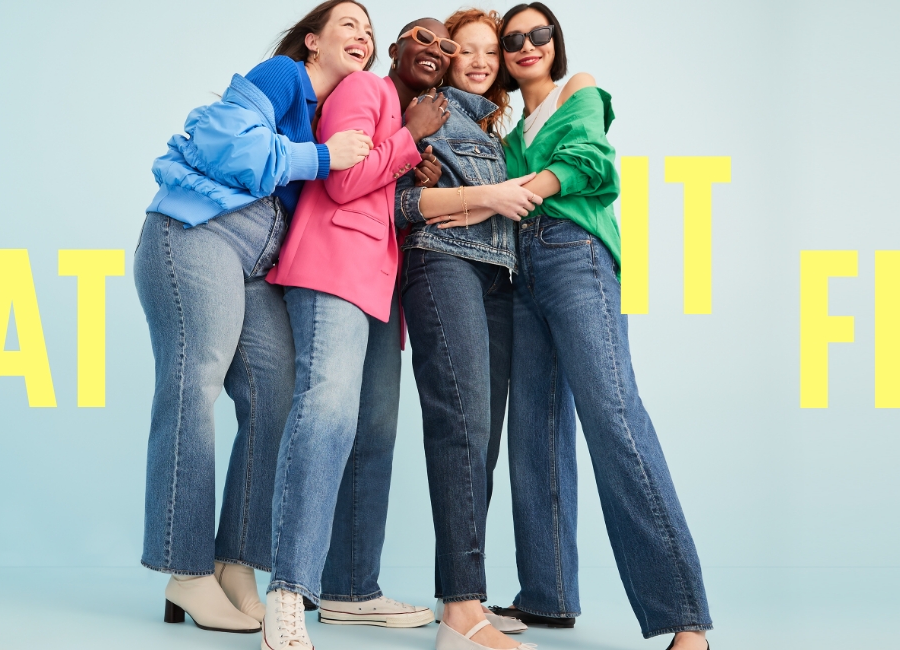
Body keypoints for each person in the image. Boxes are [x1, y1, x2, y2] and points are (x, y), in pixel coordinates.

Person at [133, 0, 377, 635]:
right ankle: (184, 572)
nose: (364, 35)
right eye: (348, 24)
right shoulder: (282, 76)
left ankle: (234, 562)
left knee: (274, 397)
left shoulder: (327, 114)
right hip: (198, 232)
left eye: (369, 30)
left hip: (255, 261)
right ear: (312, 43)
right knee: (195, 381)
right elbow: (222, 143)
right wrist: (322, 158)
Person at [488, 3, 715, 648]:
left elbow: (593, 161)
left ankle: (684, 619)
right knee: (534, 431)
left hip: (574, 257)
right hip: (521, 274)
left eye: (539, 34)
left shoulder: (577, 89)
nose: (527, 45)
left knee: (612, 418)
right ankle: (547, 594)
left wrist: (530, 187)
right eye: (513, 40)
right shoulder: (508, 135)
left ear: (556, 43)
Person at [258, 16, 452, 650]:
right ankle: (289, 592)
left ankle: (350, 590)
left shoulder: (394, 117)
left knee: (374, 433)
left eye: (446, 45)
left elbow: (372, 180)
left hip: (377, 284)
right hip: (334, 269)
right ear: (392, 51)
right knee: (328, 414)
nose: (436, 49)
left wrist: (403, 162)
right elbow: (340, 180)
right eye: (419, 36)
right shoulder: (366, 90)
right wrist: (408, 140)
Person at [388, 10, 544, 650]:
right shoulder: (426, 115)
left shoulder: (495, 132)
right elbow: (396, 203)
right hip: (443, 267)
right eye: (467, 50)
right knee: (460, 423)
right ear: (448, 59)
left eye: (490, 52)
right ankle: (461, 611)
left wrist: (486, 196)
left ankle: (467, 593)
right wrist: (486, 198)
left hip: (496, 279)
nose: (480, 60)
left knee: (483, 434)